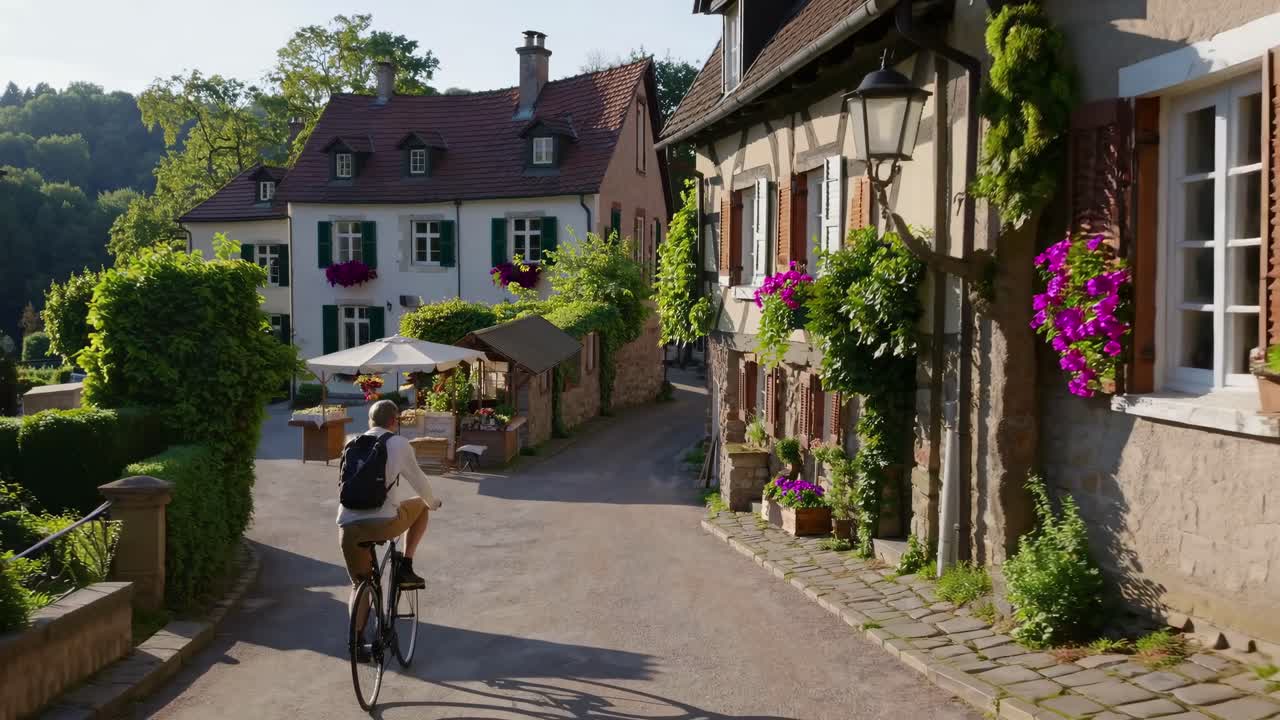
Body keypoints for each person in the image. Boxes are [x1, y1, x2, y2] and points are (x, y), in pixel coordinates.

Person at [338, 400, 443, 626]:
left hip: (347, 524)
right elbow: (419, 482)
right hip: (382, 521)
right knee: (421, 505)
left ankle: (357, 646)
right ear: (394, 421)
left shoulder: (350, 443)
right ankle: (406, 565)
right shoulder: (399, 443)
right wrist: (432, 502)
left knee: (359, 584)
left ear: (369, 420)